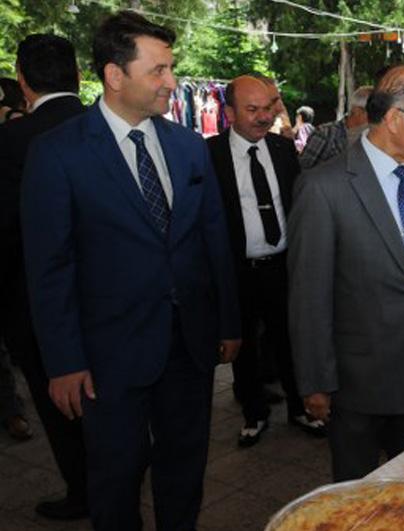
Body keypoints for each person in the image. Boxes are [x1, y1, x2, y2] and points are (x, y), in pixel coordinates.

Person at [20, 12, 241, 530]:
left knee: (184, 469)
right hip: (107, 356)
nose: (171, 82)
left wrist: (228, 322)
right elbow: (49, 266)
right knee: (115, 478)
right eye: (158, 71)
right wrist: (63, 361)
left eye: (171, 69)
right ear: (115, 76)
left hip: (187, 346)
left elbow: (213, 240)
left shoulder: (188, 146)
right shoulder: (57, 153)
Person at [287, 66, 404, 481]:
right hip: (358, 388)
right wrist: (315, 382)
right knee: (358, 503)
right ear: (394, 118)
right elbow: (309, 295)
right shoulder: (324, 188)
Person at [0, 33, 89, 521]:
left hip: (34, 302)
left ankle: (83, 490)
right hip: (105, 299)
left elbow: (9, 230)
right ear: (78, 75)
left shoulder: (12, 140)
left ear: (22, 80)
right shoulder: (106, 126)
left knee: (60, 409)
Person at [207, 76, 323, 447]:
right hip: (239, 269)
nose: (262, 118)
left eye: (266, 109)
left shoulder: (282, 149)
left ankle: (299, 407)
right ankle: (254, 414)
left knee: (290, 339)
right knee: (245, 347)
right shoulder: (210, 156)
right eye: (251, 110)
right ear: (228, 113)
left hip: (283, 265)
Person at [298, 85, 372, 169]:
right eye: (374, 112)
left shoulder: (374, 139)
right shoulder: (326, 134)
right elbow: (303, 172)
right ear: (357, 111)